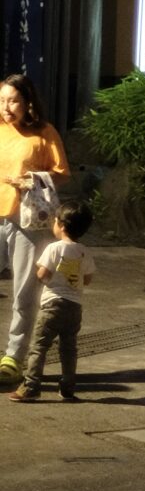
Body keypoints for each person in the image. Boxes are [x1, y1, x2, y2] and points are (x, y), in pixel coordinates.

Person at [0, 74, 69, 390]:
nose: (6, 107)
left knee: (24, 293)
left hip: (28, 222)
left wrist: (32, 179)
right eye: (2, 100)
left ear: (27, 102)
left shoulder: (44, 133)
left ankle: (13, 359)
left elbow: (61, 173)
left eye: (13, 100)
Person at [10, 201, 94, 404]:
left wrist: (42, 276)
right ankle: (67, 388)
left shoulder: (53, 248)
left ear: (62, 225)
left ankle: (31, 387)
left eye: (55, 221)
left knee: (39, 347)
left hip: (52, 305)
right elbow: (87, 279)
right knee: (69, 348)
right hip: (74, 307)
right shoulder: (84, 251)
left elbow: (43, 274)